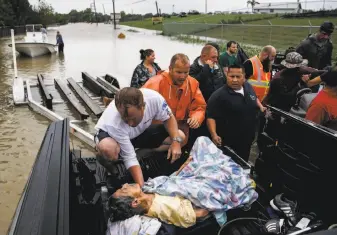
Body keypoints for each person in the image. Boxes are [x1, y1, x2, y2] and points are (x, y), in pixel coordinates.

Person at [107, 136, 258, 228]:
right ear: (134, 202)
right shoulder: (164, 208)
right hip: (199, 190)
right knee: (222, 175)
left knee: (201, 142)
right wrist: (215, 201)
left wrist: (184, 166)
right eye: (125, 190)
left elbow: (172, 181)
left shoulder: (145, 191)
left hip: (185, 180)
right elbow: (201, 212)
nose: (125, 185)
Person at [95, 87, 185, 186]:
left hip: (139, 132)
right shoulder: (113, 122)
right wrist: (141, 187)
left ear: (143, 107)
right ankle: (105, 159)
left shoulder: (155, 99)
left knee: (180, 136)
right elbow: (129, 157)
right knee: (108, 148)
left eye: (133, 118)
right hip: (111, 137)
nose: (129, 123)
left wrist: (176, 142)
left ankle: (144, 152)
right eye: (125, 119)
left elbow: (168, 118)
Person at [142, 53, 206, 146]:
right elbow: (140, 107)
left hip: (181, 130)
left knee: (182, 140)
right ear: (170, 69)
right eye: (179, 72)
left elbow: (200, 107)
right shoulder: (155, 82)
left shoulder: (193, 83)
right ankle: (146, 152)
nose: (183, 76)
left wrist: (196, 117)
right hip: (156, 129)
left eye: (186, 72)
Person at [207, 64, 261, 162]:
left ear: (244, 77)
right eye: (232, 76)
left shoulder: (248, 87)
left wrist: (261, 107)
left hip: (246, 139)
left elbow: (254, 98)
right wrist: (214, 134)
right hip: (228, 143)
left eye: (238, 77)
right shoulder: (218, 96)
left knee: (243, 164)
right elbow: (211, 116)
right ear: (227, 76)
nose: (235, 80)